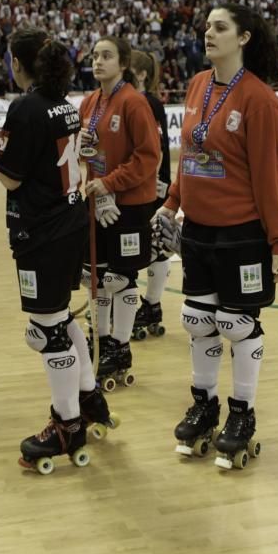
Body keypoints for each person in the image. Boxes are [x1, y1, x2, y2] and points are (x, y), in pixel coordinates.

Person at [0, 27, 114, 472]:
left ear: (18, 63)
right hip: (67, 224)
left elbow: (9, 176)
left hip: (41, 233)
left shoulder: (26, 107)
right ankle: (88, 400)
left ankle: (66, 425)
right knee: (62, 319)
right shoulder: (64, 105)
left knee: (45, 330)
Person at [155, 3, 278, 470]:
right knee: (197, 321)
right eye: (207, 26)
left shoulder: (260, 100)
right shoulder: (197, 84)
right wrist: (173, 200)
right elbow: (188, 155)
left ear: (244, 38)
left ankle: (243, 413)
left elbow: (270, 178)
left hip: (242, 235)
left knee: (237, 325)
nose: (208, 33)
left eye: (220, 27)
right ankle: (205, 404)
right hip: (197, 230)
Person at [79, 36, 160, 391]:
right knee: (98, 277)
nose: (98, 62)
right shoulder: (88, 102)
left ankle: (120, 347)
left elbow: (147, 157)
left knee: (121, 278)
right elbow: (87, 156)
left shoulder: (134, 102)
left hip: (128, 204)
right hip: (98, 201)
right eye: (95, 56)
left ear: (123, 63)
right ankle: (102, 337)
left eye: (107, 56)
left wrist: (111, 184)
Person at [129, 50, 172, 338]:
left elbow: (154, 150)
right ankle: (150, 306)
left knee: (152, 244)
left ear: (142, 74)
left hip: (150, 186)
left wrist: (155, 183)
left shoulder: (147, 102)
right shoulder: (139, 101)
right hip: (151, 183)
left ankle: (149, 305)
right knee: (154, 244)